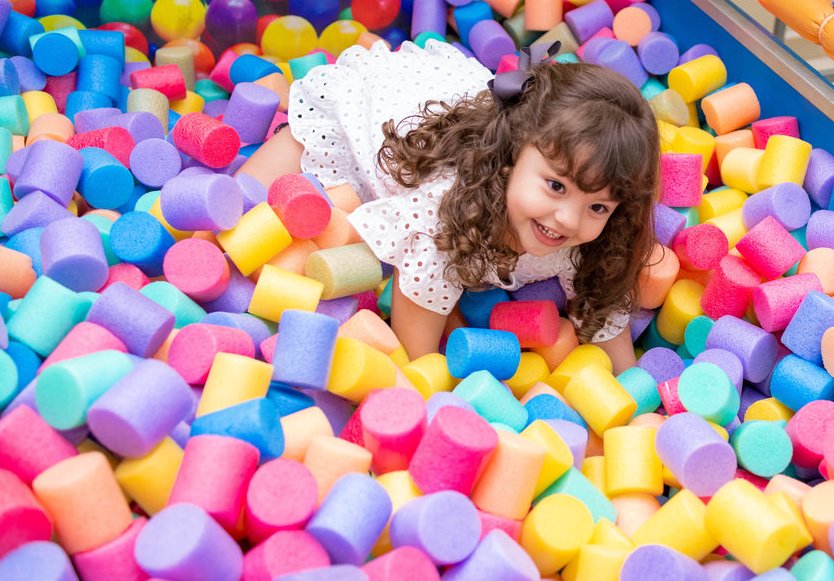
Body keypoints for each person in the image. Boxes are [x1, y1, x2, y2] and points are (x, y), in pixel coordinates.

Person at [260, 38, 661, 374]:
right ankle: (276, 96)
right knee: (248, 198)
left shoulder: (587, 235)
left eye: (599, 207)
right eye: (556, 186)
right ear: (510, 156)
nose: (569, 219)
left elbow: (604, 317)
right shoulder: (445, 216)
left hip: (456, 107)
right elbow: (416, 357)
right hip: (376, 113)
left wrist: (632, 393)